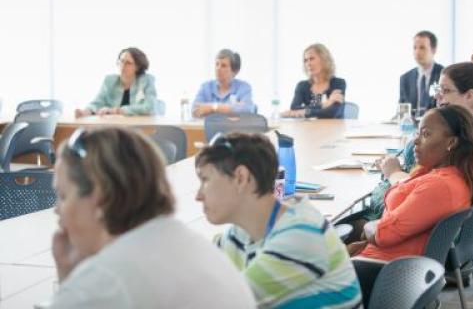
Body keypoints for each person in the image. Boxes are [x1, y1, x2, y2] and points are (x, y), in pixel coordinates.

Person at [49, 127, 255, 308]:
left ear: (101, 198)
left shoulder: (107, 281)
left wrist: (73, 284)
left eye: (63, 196)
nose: (57, 210)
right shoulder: (188, 244)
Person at [195, 133, 362, 308]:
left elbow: (224, 303)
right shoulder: (239, 233)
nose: (198, 196)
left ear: (241, 178)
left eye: (205, 180)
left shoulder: (300, 235)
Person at [349, 105, 473, 261]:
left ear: (451, 142)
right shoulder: (446, 174)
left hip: (385, 270)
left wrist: (369, 226)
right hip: (392, 263)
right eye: (417, 133)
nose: (415, 140)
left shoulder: (440, 186)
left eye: (426, 134)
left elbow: (383, 235)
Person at [75, 47, 158, 117]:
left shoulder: (146, 81)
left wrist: (117, 111)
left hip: (138, 127)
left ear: (138, 67)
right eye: (121, 61)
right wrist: (86, 112)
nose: (123, 65)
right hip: (114, 127)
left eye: (128, 63)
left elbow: (149, 108)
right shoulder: (109, 81)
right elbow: (97, 102)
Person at [282, 43, 346, 119]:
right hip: (309, 129)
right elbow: (294, 108)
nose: (308, 63)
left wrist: (304, 112)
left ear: (324, 60)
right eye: (305, 60)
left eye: (312, 59)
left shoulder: (339, 83)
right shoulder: (302, 85)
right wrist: (324, 105)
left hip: (332, 129)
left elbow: (332, 112)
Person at [192, 49, 255, 117]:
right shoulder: (206, 87)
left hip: (233, 127)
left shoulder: (243, 87)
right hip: (211, 127)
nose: (218, 68)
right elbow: (195, 110)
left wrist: (212, 107)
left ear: (234, 71)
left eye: (223, 65)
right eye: (217, 64)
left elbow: (247, 109)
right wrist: (231, 109)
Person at [399, 30, 444, 118]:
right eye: (415, 48)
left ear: (434, 50)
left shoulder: (443, 75)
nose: (417, 52)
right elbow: (403, 111)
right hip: (411, 127)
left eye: (422, 48)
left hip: (436, 125)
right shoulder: (405, 78)